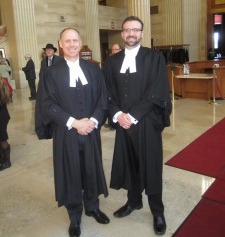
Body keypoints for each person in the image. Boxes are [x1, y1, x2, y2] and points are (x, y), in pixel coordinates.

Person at [37, 28, 110, 237]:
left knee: (91, 168)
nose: (71, 44)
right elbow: (47, 104)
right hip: (66, 131)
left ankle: (93, 207)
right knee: (70, 172)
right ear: (60, 44)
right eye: (67, 41)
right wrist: (74, 123)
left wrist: (93, 121)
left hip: (91, 130)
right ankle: (75, 215)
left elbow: (102, 99)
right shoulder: (50, 73)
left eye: (75, 40)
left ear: (80, 42)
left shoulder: (94, 69)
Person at [103, 16, 172, 236]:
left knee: (151, 166)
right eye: (127, 30)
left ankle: (157, 210)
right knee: (129, 163)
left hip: (146, 122)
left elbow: (157, 91)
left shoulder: (154, 58)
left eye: (135, 30)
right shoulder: (112, 62)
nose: (131, 34)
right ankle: (134, 202)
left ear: (142, 33)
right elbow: (106, 93)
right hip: (123, 123)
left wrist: (132, 115)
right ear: (122, 34)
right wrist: (117, 115)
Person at [104, 43, 121, 130]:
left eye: (116, 49)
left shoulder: (122, 60)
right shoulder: (108, 60)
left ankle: (117, 123)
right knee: (110, 104)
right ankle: (111, 123)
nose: (115, 51)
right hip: (109, 86)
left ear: (120, 50)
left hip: (119, 89)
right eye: (113, 49)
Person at [0, 76, 11, 171]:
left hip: (1, 117)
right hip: (3, 115)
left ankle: (6, 161)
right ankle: (3, 156)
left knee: (2, 138)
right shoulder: (2, 82)